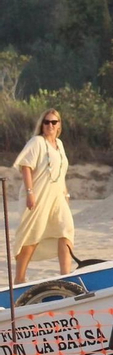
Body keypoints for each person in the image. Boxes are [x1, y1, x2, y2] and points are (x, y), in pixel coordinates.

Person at [11, 108, 74, 281]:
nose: (50, 125)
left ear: (59, 124)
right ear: (42, 124)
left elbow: (61, 173)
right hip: (38, 195)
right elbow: (26, 166)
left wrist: (66, 195)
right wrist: (30, 193)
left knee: (66, 230)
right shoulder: (37, 142)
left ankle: (65, 276)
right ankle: (20, 278)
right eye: (47, 122)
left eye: (54, 122)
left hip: (57, 197)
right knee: (32, 234)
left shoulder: (59, 144)